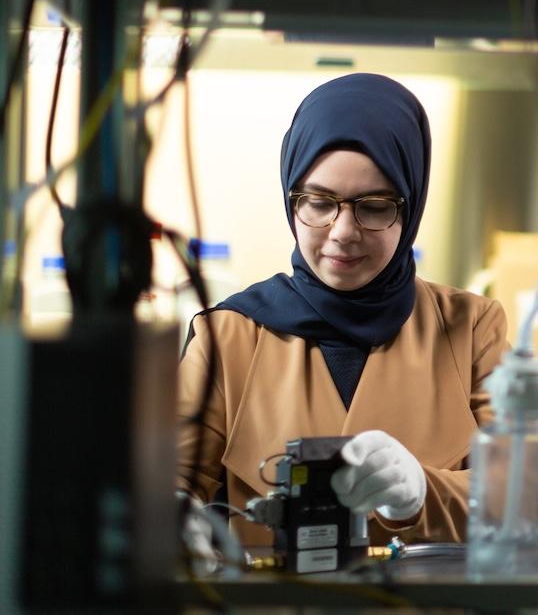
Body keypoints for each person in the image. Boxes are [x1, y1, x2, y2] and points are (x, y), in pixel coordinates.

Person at [177, 73, 509, 546]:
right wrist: (172, 522)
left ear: (410, 207)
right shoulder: (227, 336)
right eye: (319, 202)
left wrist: (422, 493)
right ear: (292, 199)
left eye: (373, 207)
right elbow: (168, 483)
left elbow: (522, 497)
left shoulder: (471, 327)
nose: (342, 232)